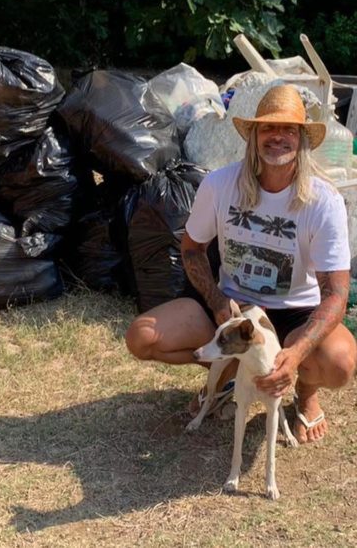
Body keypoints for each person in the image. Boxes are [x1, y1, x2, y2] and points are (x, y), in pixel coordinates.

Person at [125, 84, 356, 443]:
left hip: (295, 311)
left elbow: (337, 293)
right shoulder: (219, 185)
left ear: (302, 139)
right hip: (233, 307)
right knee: (143, 338)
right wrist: (217, 302)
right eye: (268, 128)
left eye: (288, 130)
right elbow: (191, 250)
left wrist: (295, 353)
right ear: (253, 136)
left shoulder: (323, 201)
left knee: (340, 363)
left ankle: (305, 393)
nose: (277, 137)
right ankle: (226, 374)